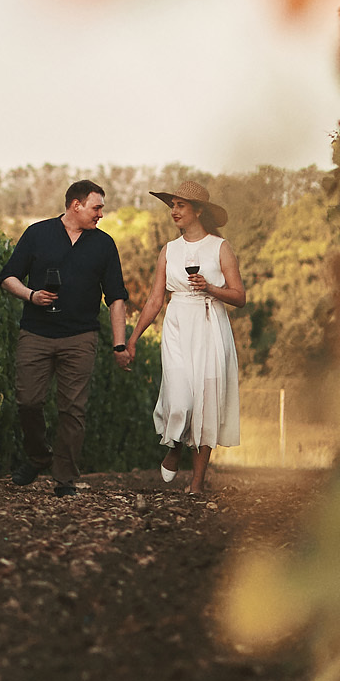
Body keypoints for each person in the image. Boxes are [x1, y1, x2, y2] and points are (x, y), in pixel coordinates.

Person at [0, 180, 132, 497]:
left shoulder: (104, 244)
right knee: (28, 401)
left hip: (80, 337)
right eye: (96, 207)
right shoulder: (37, 233)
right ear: (76, 205)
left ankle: (64, 478)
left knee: (73, 409)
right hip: (36, 332)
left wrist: (119, 344)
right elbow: (8, 276)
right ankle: (38, 456)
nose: (101, 214)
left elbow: (116, 298)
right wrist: (31, 295)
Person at [127, 180, 244, 495]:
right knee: (180, 398)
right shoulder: (169, 250)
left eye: (180, 205)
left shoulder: (220, 247)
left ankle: (196, 482)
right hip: (177, 325)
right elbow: (155, 300)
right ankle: (175, 444)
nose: (174, 211)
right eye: (172, 206)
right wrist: (133, 337)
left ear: (199, 210)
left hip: (209, 324)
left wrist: (211, 288)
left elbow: (239, 296)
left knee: (207, 401)